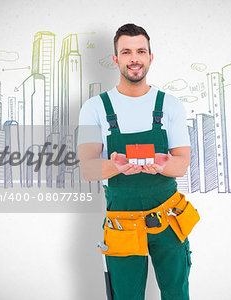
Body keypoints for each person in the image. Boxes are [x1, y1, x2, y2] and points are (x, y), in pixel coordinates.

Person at [78, 23, 195, 300]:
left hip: (168, 218)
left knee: (177, 293)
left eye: (141, 51)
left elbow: (183, 163)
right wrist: (115, 166)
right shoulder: (93, 107)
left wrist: (163, 164)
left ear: (150, 57)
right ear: (116, 59)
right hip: (122, 222)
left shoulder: (171, 104)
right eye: (126, 52)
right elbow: (87, 168)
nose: (134, 58)